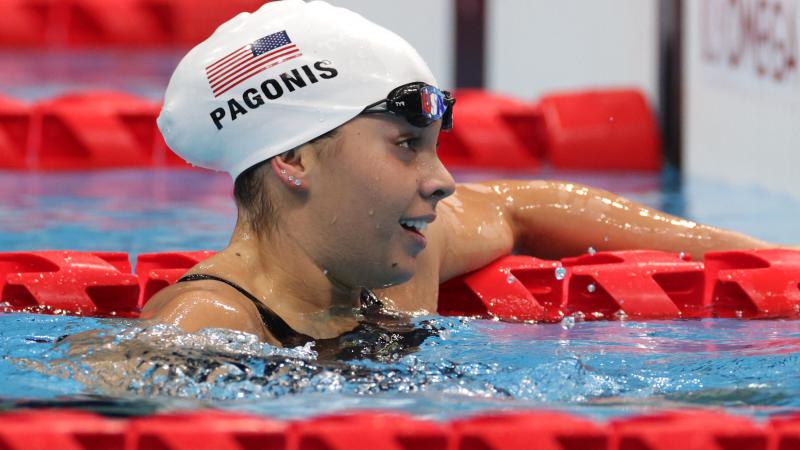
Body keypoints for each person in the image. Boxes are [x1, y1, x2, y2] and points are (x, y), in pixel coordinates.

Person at [142, 0, 778, 348]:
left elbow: (518, 207)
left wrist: (767, 260)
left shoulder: (398, 266)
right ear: (293, 160)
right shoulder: (205, 327)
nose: (442, 180)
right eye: (406, 146)